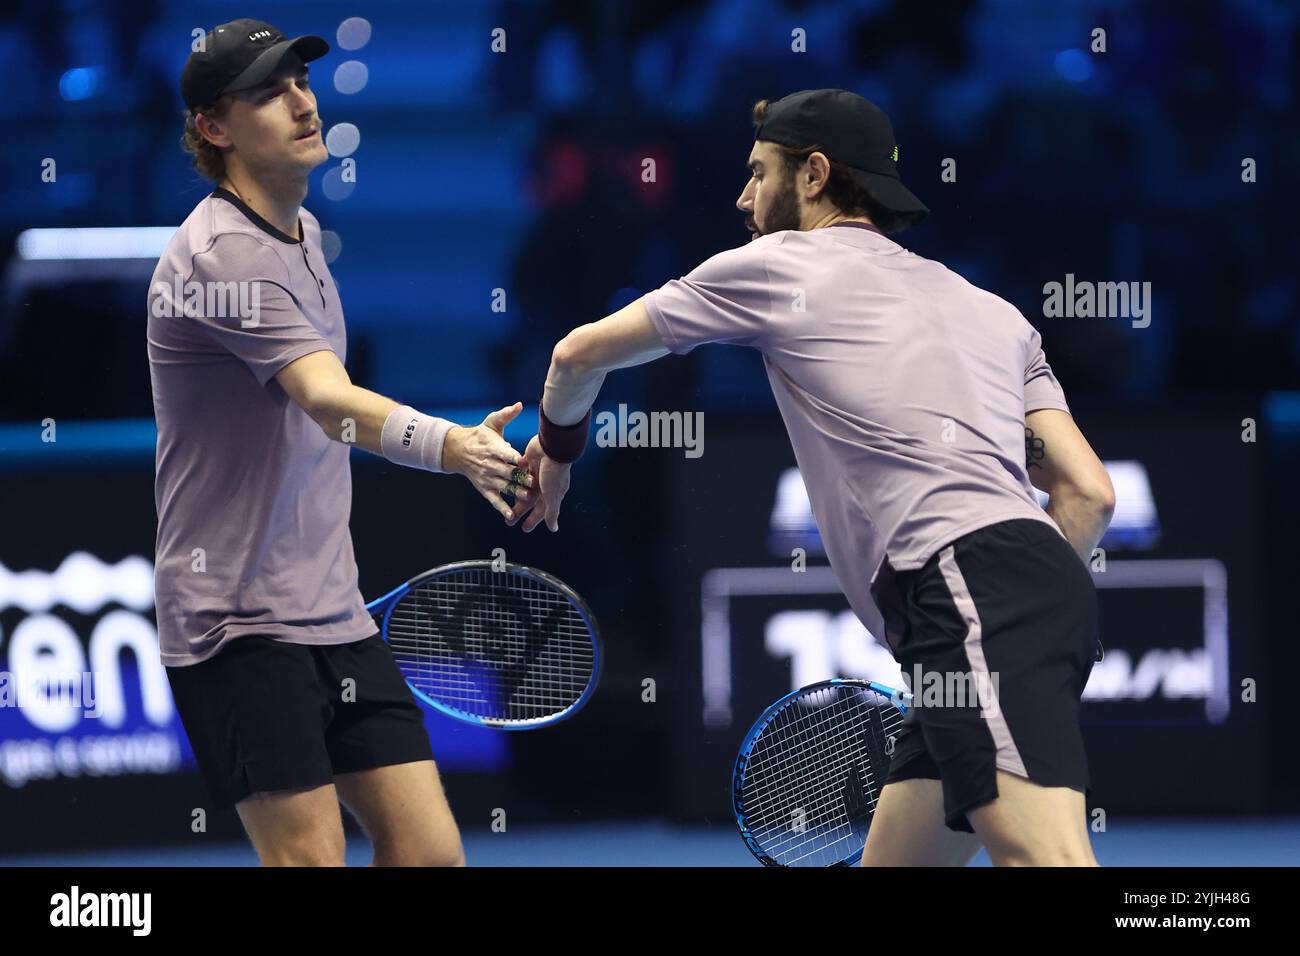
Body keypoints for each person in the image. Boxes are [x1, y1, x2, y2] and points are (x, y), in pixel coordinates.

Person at [514, 89, 1115, 867]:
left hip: (967, 590)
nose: (742, 197)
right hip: (1030, 594)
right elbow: (1090, 494)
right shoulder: (995, 313)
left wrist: (557, 455)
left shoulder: (778, 266)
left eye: (758, 173)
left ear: (815, 175)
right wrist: (1020, 617)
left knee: (1050, 860)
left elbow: (574, 354)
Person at [147, 19, 534, 866]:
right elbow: (328, 402)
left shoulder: (304, 235)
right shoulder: (222, 258)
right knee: (310, 862)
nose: (300, 102)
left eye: (301, 83)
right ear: (213, 128)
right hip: (239, 622)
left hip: (335, 613)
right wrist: (455, 448)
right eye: (265, 92)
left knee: (431, 855)